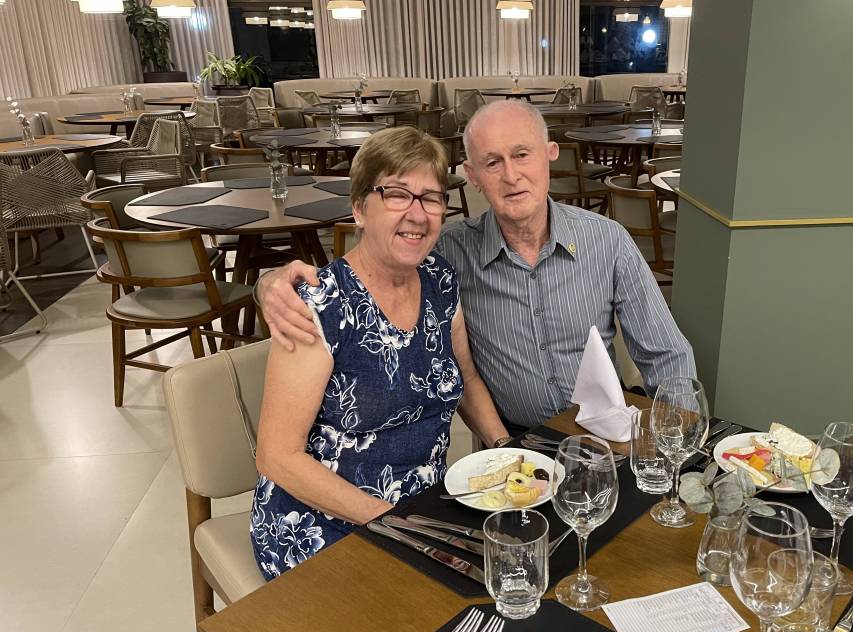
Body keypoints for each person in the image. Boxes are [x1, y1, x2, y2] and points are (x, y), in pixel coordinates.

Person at [256, 100, 695, 433]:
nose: (511, 175)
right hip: (518, 444)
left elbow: (667, 356)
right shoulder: (446, 253)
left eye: (522, 155)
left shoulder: (607, 241)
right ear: (473, 176)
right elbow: (374, 263)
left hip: (606, 435)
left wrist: (678, 444)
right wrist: (272, 283)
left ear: (550, 154)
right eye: (492, 162)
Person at [250, 126, 507, 580]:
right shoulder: (319, 305)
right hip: (322, 524)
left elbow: (465, 379)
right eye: (397, 194)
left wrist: (506, 452)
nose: (417, 213)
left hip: (422, 510)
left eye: (431, 198)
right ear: (359, 209)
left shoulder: (440, 280)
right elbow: (277, 457)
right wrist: (395, 524)